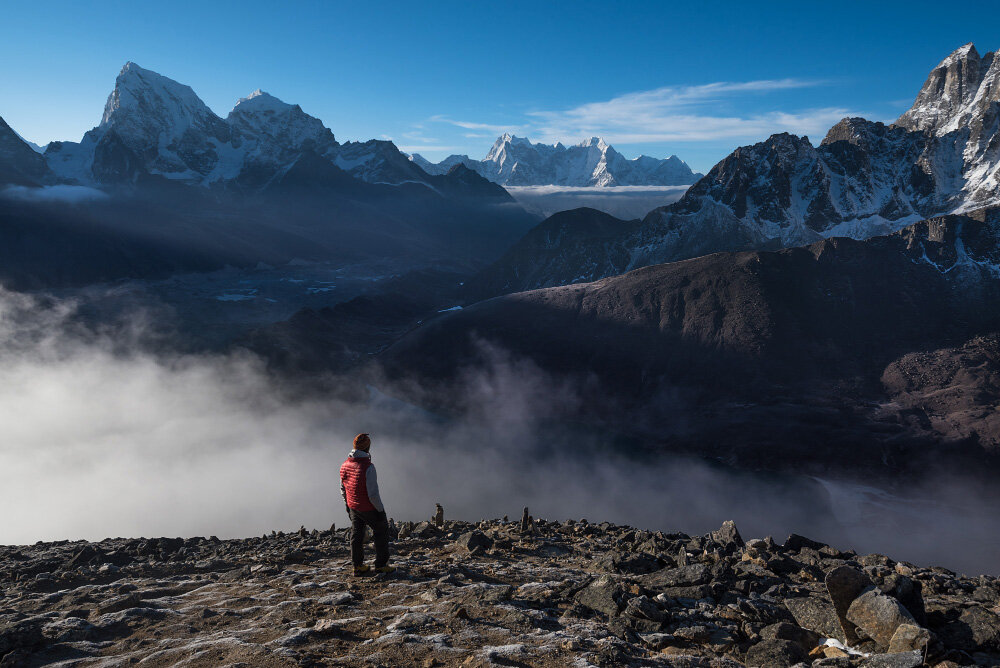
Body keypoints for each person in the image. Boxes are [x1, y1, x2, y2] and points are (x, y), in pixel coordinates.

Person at [340, 433, 394, 575]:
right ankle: (381, 565)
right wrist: (380, 511)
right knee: (381, 531)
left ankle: (357, 566)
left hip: (353, 506)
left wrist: (348, 504)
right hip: (368, 507)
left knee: (356, 534)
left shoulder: (345, 465)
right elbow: (373, 494)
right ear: (368, 448)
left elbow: (343, 488)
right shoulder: (368, 467)